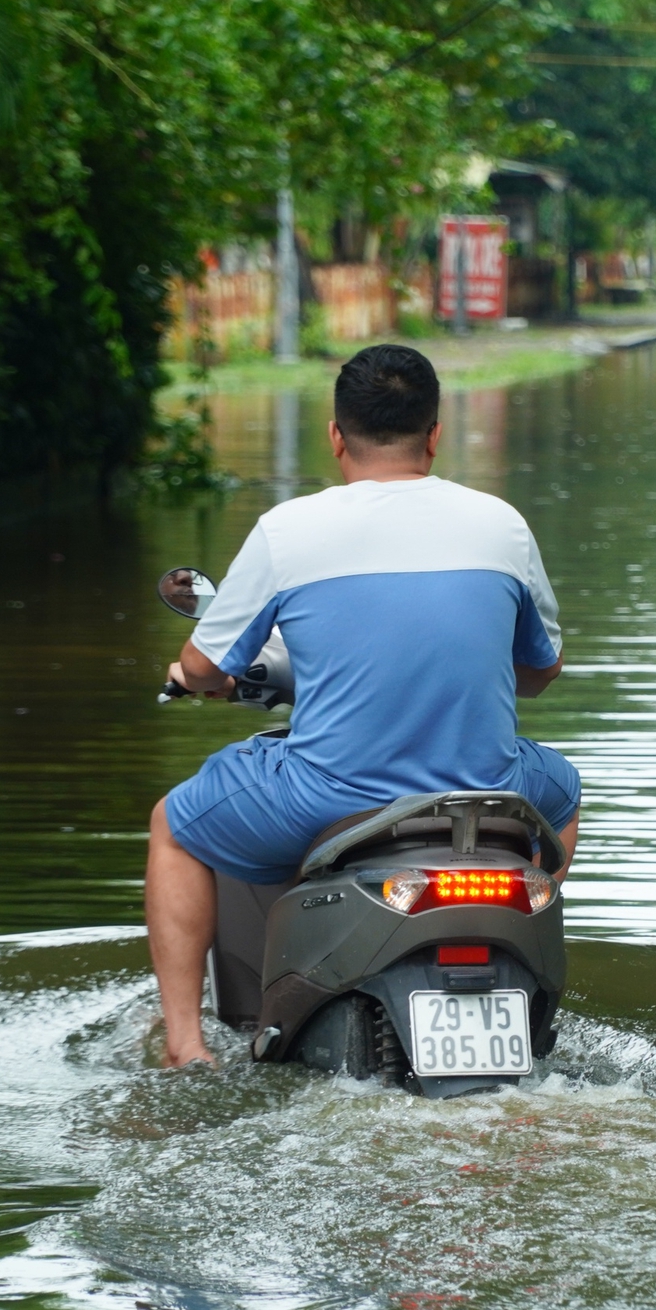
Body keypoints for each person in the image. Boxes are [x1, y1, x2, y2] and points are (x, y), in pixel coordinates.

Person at [145, 344, 580, 1067]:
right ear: (434, 434)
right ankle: (519, 954)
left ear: (336, 436)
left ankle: (186, 1049)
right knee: (561, 792)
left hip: (329, 797)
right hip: (490, 792)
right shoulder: (501, 525)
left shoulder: (289, 531)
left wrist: (198, 681)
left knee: (175, 826)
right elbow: (540, 672)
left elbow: (205, 666)